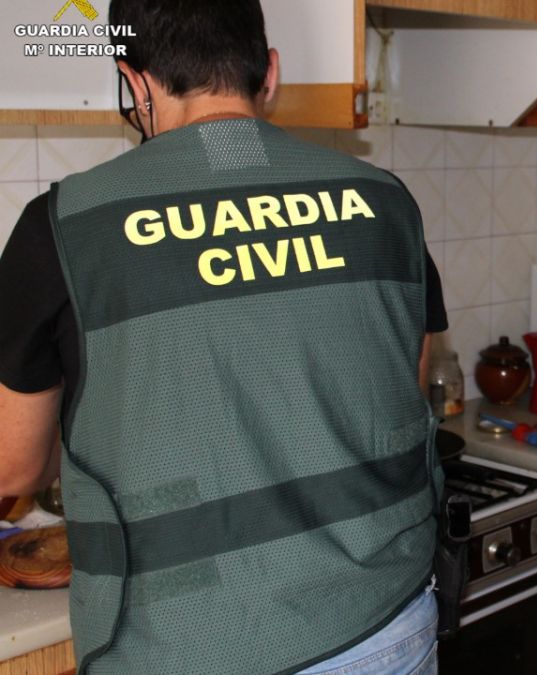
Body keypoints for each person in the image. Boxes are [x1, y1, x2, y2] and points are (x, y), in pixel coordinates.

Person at [0, 1, 448, 673]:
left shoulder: (62, 227)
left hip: (185, 643)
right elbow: (403, 386)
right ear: (270, 73)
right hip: (383, 621)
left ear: (134, 81)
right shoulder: (384, 201)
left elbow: (15, 465)